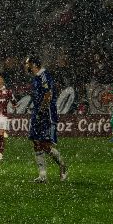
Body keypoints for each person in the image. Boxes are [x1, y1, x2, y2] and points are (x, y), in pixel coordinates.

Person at [25, 55, 68, 183]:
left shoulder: (43, 75)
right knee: (36, 142)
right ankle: (42, 176)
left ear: (33, 64)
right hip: (38, 112)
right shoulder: (36, 78)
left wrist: (42, 110)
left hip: (47, 113)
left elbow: (48, 94)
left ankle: (62, 166)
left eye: (27, 63)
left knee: (45, 144)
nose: (25, 66)